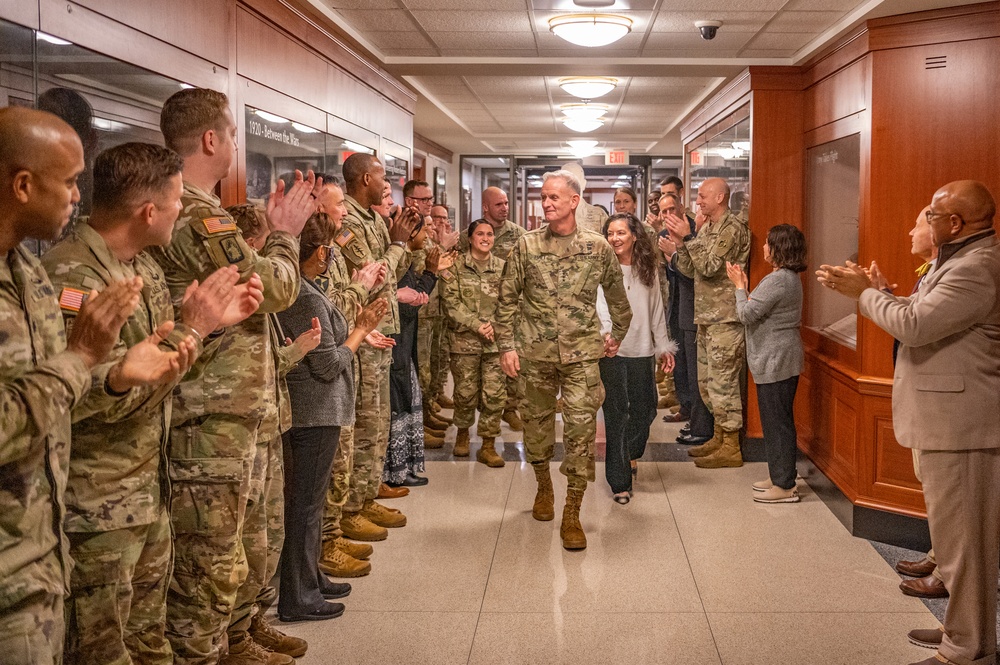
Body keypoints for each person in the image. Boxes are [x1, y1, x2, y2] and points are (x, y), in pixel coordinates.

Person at [41, 142, 254, 664]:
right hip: (96, 504)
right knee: (102, 649)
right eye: (179, 199)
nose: (185, 210)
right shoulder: (74, 277)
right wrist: (190, 332)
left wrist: (201, 333)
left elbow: (160, 371)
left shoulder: (143, 266)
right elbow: (77, 396)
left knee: (148, 638)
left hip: (145, 484)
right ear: (149, 211)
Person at [149, 87, 319, 664]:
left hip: (244, 406)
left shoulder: (206, 208)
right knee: (212, 552)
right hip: (210, 412)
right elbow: (272, 288)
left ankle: (242, 632)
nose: (236, 146)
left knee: (254, 536)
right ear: (211, 139)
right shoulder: (194, 213)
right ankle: (214, 646)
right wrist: (285, 235)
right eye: (233, 134)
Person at [0, 107, 175, 662]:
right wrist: (86, 359)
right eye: (70, 182)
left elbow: (63, 392)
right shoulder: (63, 271)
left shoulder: (25, 274)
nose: (79, 198)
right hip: (37, 542)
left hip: (47, 540)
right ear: (23, 185)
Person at [816, 180, 1000, 665]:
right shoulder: (957, 259)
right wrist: (877, 291)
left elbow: (915, 325)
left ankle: (969, 649)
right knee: (956, 543)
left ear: (955, 224)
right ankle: (962, 634)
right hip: (947, 421)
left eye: (931, 214)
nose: (923, 220)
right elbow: (921, 314)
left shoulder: (978, 267)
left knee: (966, 550)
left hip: (962, 425)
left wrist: (865, 295)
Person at [496, 170, 631, 550]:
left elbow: (619, 300)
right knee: (536, 427)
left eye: (555, 196)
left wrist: (616, 336)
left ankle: (573, 511)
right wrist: (506, 345)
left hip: (581, 357)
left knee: (580, 431)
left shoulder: (597, 248)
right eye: (544, 196)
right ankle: (543, 488)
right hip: (535, 355)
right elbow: (506, 299)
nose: (547, 202)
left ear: (575, 201)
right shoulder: (525, 246)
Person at [276, 213, 388, 622]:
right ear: (321, 253)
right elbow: (326, 365)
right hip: (313, 412)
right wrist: (359, 330)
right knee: (304, 508)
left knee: (312, 504)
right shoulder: (304, 297)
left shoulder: (305, 288)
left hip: (317, 411)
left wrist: (354, 333)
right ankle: (298, 596)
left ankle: (311, 577)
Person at [337, 153, 419, 543]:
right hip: (362, 331)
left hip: (380, 326)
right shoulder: (350, 222)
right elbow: (375, 274)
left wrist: (398, 242)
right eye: (383, 178)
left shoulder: (371, 218)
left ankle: (367, 493)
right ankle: (351, 506)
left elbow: (393, 274)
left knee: (379, 418)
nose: (387, 186)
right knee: (366, 421)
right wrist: (399, 243)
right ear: (366, 178)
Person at [868, 205, 948, 601]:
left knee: (947, 492)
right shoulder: (931, 273)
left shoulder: (953, 274)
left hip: (944, 403)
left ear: (937, 231)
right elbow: (913, 316)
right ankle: (941, 555)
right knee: (931, 484)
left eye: (917, 225)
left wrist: (869, 296)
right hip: (923, 395)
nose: (910, 232)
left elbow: (916, 327)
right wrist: (885, 295)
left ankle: (949, 569)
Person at [663, 177, 751, 468]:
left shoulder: (732, 229)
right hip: (705, 318)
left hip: (725, 319)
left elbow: (712, 267)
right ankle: (718, 436)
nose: (697, 201)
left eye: (702, 196)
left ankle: (731, 447)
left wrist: (689, 238)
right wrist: (681, 245)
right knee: (707, 385)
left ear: (721, 197)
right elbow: (690, 269)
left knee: (724, 384)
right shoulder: (709, 227)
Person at [597, 213, 675, 504]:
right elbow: (599, 304)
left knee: (645, 410)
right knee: (617, 415)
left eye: (621, 233)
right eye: (610, 233)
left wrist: (664, 345)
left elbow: (656, 308)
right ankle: (619, 481)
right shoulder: (602, 267)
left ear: (634, 236)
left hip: (643, 349)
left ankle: (630, 453)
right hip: (613, 351)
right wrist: (608, 335)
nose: (615, 238)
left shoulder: (647, 267)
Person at [725, 224, 807, 504]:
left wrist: (739, 288)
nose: (763, 248)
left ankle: (785, 485)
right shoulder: (784, 278)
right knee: (776, 421)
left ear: (779, 249)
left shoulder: (779, 280)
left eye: (769, 243)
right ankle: (779, 476)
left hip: (777, 359)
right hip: (778, 357)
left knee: (778, 423)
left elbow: (746, 314)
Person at [385, 224, 454, 487]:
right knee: (397, 406)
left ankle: (402, 470)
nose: (427, 236)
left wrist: (431, 272)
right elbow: (409, 297)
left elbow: (418, 292)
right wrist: (431, 273)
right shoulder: (399, 264)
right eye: (423, 232)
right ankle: (394, 473)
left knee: (406, 401)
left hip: (405, 343)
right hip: (396, 342)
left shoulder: (407, 264)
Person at [458, 187, 527, 431]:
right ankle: (472, 423)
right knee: (469, 382)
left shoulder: (519, 235)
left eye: (506, 203)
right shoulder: (467, 235)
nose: (505, 208)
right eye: (499, 204)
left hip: (506, 313)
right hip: (474, 314)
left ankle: (510, 409)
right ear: (486, 207)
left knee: (509, 369)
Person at [443, 220, 508, 467]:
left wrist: (493, 324)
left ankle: (488, 444)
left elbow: (510, 301)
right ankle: (462, 433)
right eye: (480, 233)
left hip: (494, 343)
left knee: (494, 394)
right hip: (464, 343)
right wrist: (475, 324)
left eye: (489, 234)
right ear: (469, 238)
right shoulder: (455, 267)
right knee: (465, 392)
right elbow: (451, 303)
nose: (485, 238)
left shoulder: (503, 268)